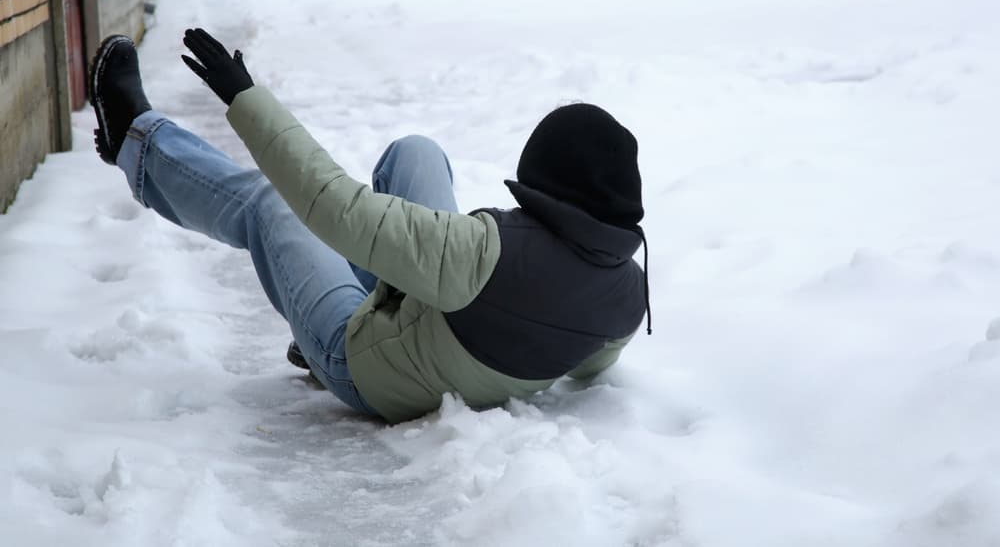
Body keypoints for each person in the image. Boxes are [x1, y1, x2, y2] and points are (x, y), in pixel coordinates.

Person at [88, 29, 651, 425]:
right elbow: (591, 363)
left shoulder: (485, 255)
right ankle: (377, 292)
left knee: (274, 204)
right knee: (417, 154)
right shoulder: (626, 298)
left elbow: (332, 205)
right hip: (443, 323)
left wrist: (246, 98)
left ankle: (138, 142)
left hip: (361, 364)